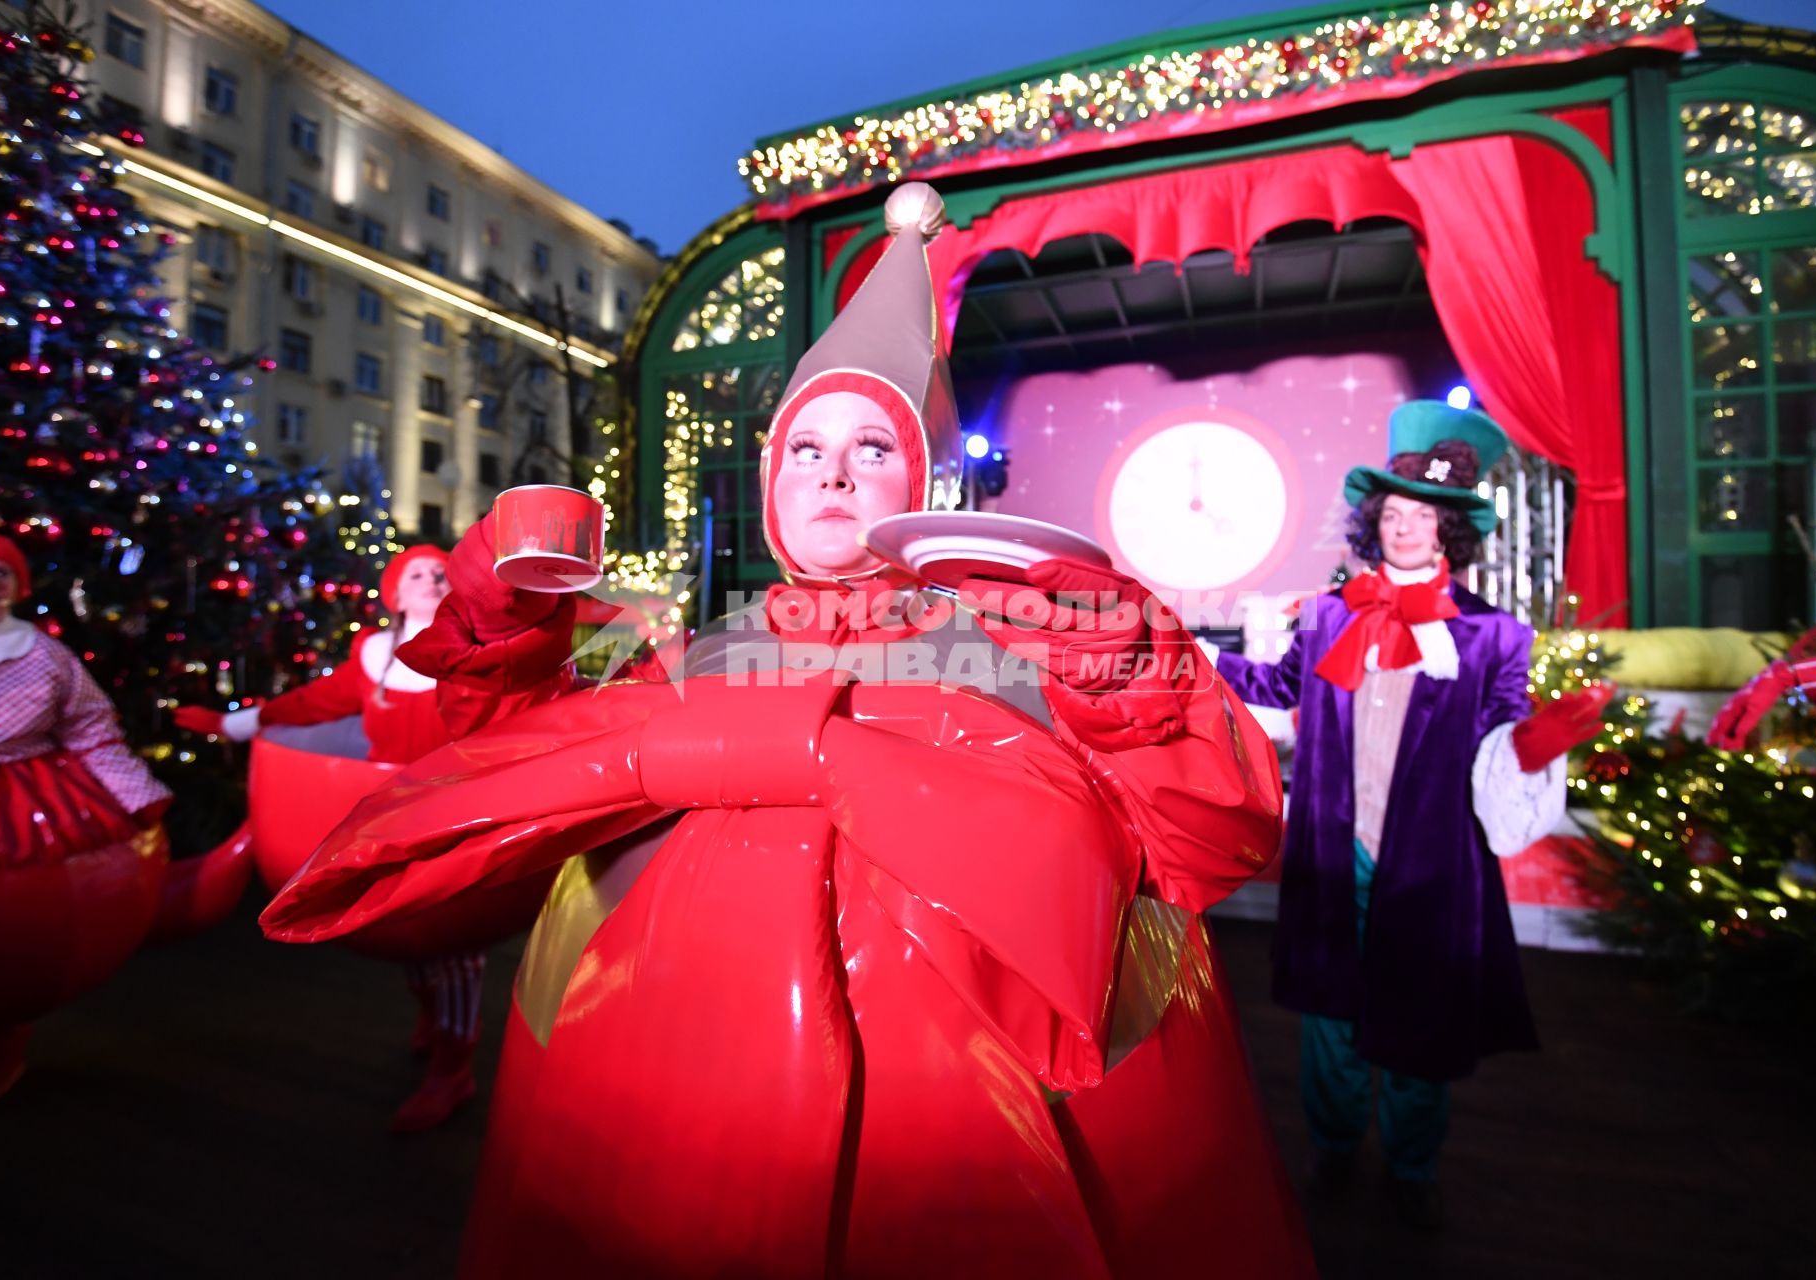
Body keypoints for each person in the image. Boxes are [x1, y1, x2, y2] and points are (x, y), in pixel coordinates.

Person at [262, 183, 1315, 1278]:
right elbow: (513, 766)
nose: (836, 469)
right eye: (805, 448)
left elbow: (1205, 835)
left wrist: (1120, 660)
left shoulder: (1020, 640)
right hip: (643, 1090)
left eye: (873, 445)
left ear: (925, 479)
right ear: (771, 482)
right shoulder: (699, 645)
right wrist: (505, 614)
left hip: (976, 1121)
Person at [1210, 403, 1608, 1230]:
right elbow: (1282, 690)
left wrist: (1537, 739)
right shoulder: (1330, 615)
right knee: (1330, 1017)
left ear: (1449, 531)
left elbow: (1503, 728)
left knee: (1422, 1020)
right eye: (1391, 513)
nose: (1403, 528)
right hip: (1333, 849)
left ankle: (1412, 1165)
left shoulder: (1497, 635)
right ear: (1374, 522)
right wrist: (1203, 660)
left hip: (1431, 860)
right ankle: (1332, 1147)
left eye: (1421, 516)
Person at [174, 544, 493, 1131]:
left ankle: (455, 1067)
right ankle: (434, 1021)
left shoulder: (478, 654)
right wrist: (231, 724)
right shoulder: (372, 656)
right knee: (408, 933)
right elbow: (309, 704)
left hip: (456, 814)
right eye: (416, 573)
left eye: (441, 573)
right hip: (390, 819)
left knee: (452, 945)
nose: (430, 579)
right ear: (394, 594)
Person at [0, 530, 172, 1101]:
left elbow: (91, 729)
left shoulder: (43, 654)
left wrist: (137, 796)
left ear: (18, 585)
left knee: (11, 942)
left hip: (28, 792)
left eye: (0, 573)